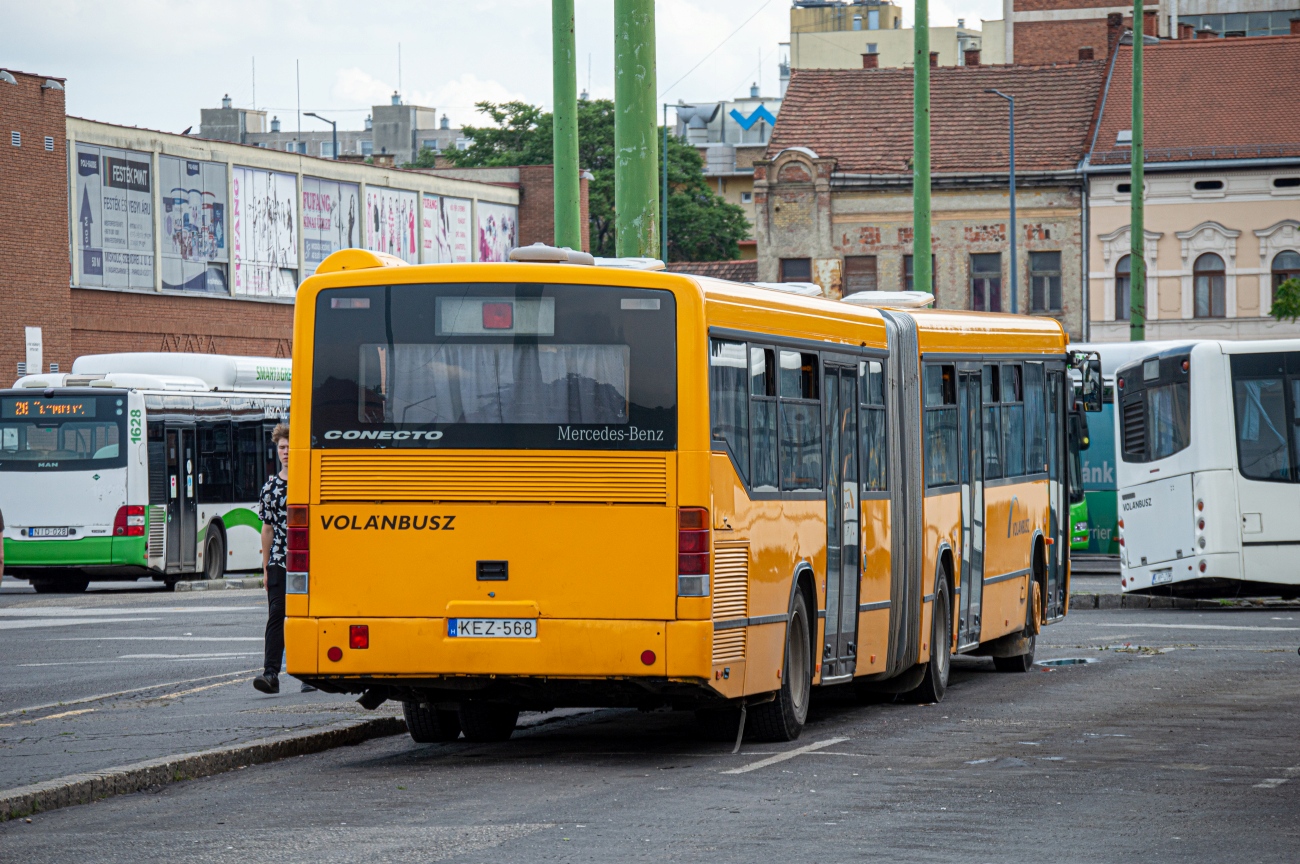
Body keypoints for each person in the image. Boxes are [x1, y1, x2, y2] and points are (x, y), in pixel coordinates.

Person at [252, 424, 315, 694]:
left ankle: (309, 675)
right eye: (282, 447)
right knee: (277, 613)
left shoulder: (309, 480)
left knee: (305, 614)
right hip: (279, 558)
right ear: (276, 451)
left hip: (307, 559)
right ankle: (270, 674)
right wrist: (265, 566)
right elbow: (266, 529)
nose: (286, 452)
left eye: (290, 447)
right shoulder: (270, 487)